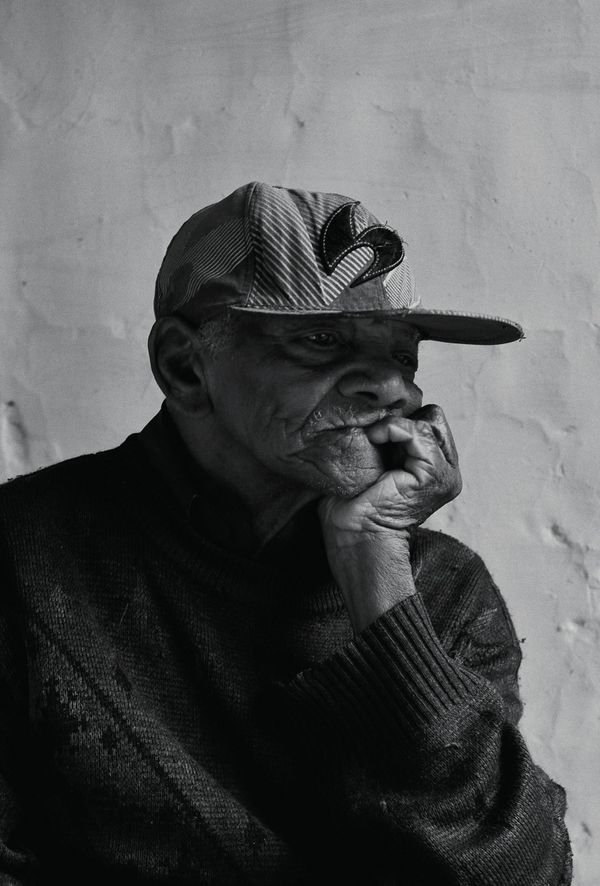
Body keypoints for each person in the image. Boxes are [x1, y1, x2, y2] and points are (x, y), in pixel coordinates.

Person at [0, 182, 571, 885]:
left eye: (404, 356)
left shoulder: (443, 589)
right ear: (184, 366)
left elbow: (523, 876)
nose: (391, 389)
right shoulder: (23, 552)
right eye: (321, 340)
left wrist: (376, 574)